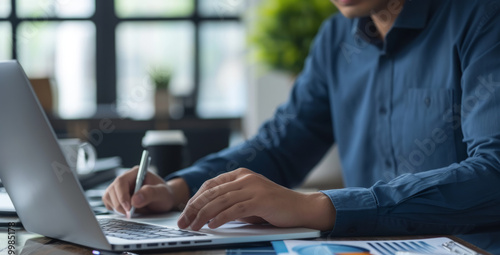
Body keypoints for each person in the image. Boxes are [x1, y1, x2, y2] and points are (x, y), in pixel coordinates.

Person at [103, 0, 500, 241]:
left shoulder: (483, 18)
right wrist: (178, 190)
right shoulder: (336, 39)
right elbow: (281, 144)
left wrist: (320, 207)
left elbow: (493, 173)